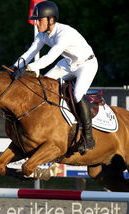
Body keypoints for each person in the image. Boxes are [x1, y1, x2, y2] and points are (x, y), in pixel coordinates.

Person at [11, 1, 98, 153]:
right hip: (68, 63)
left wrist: (29, 68)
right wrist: (14, 67)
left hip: (86, 64)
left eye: (39, 20)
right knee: (44, 84)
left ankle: (88, 137)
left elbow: (50, 57)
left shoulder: (65, 33)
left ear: (51, 20)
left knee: (77, 95)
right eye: (36, 20)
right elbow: (30, 52)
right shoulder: (42, 34)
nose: (36, 23)